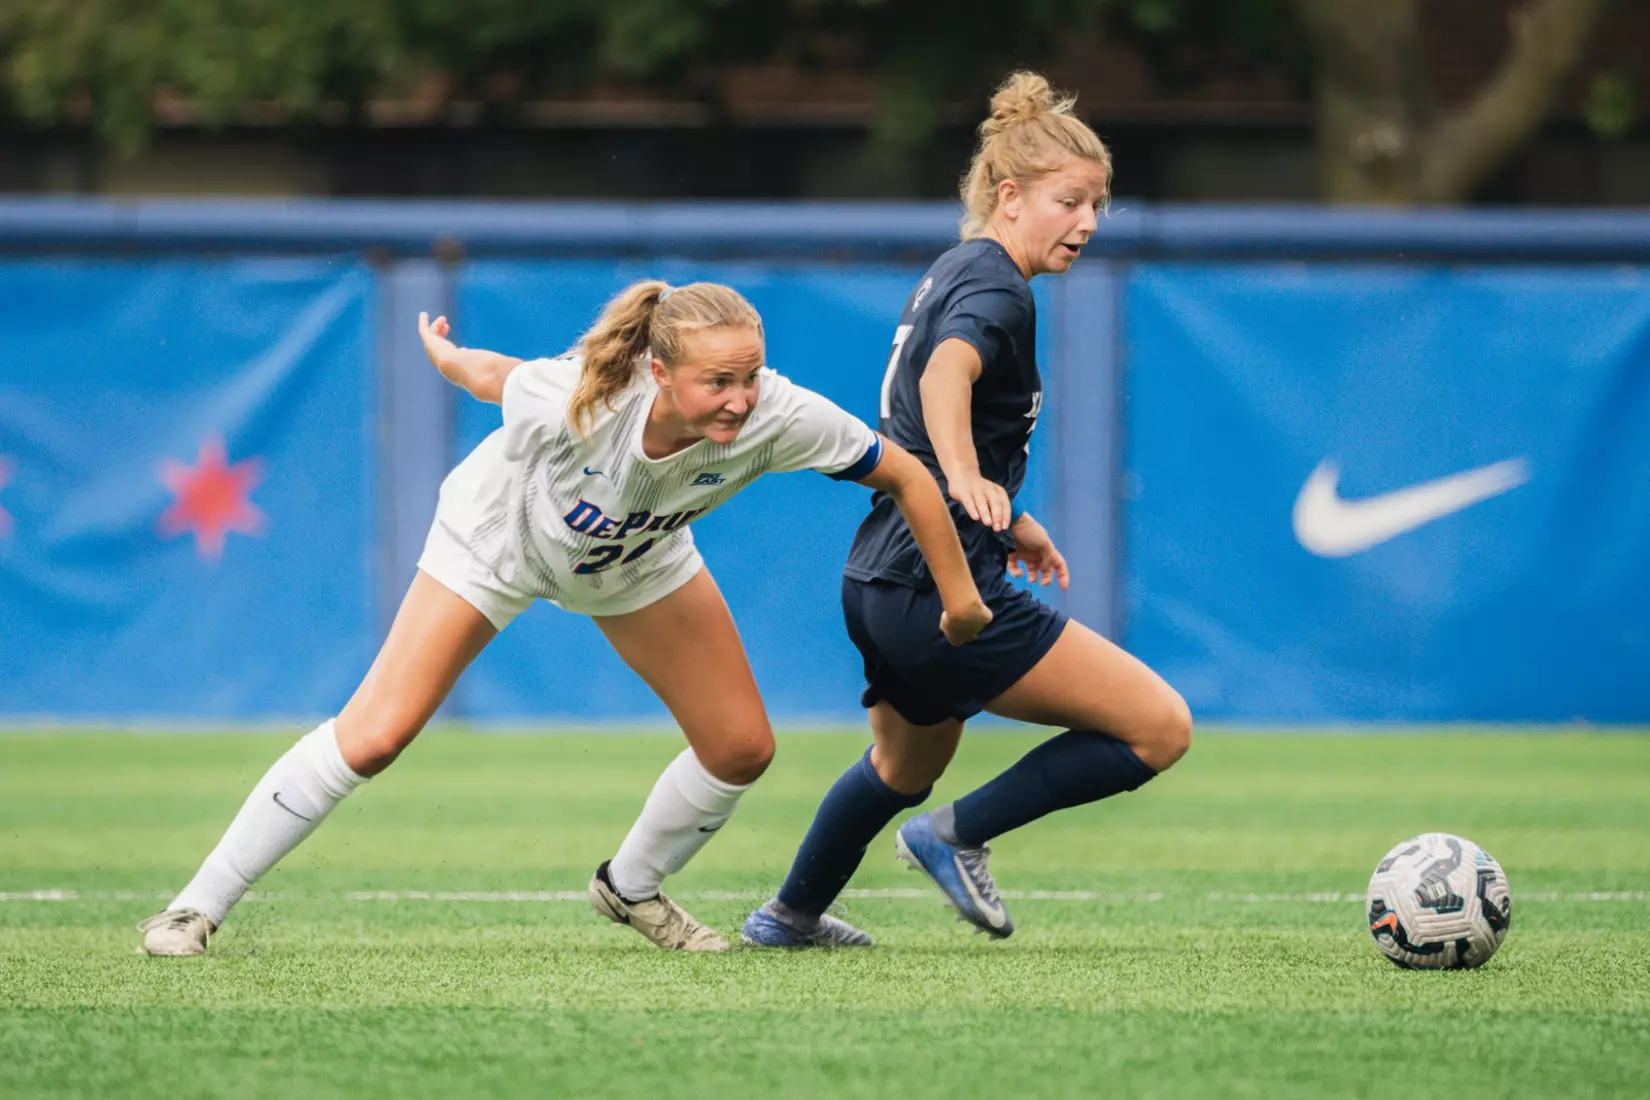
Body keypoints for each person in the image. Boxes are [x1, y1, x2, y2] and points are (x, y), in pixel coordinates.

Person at [139, 280, 991, 957]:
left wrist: (959, 600)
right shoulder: (583, 398)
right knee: (374, 736)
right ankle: (194, 908)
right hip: (495, 542)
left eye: (751, 375)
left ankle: (630, 886)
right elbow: (489, 376)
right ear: (659, 373)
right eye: (717, 381)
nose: (740, 399)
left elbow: (909, 477)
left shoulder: (779, 415)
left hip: (633, 561)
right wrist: (444, 354)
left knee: (741, 749)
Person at [743, 72, 1192, 948]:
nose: (1089, 224)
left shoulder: (954, 268)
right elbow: (949, 376)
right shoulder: (1000, 288)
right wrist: (966, 479)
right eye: (1070, 202)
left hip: (876, 576)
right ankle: (956, 833)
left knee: (904, 762)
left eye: (1098, 204)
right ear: (1009, 193)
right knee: (1158, 726)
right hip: (936, 579)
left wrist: (1004, 510)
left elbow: (927, 400)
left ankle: (789, 915)